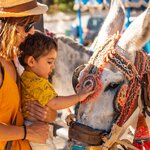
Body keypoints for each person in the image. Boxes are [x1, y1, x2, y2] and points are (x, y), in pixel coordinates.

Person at [18, 30, 94, 150]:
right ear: (31, 61)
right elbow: (55, 103)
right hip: (36, 129)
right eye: (49, 62)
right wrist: (79, 97)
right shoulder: (37, 83)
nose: (53, 67)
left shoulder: (26, 77)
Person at [0, 0, 57, 150]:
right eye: (28, 26)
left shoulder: (16, 59)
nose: (32, 32)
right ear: (8, 26)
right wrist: (26, 132)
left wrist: (49, 114)